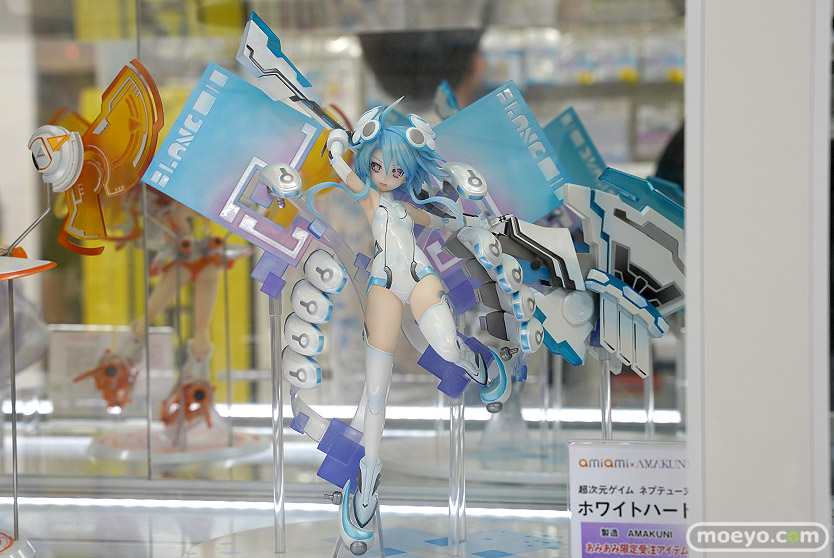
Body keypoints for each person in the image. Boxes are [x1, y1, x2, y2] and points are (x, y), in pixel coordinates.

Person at [320, 100, 496, 532]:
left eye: (396, 170)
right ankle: (368, 476)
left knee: (447, 345)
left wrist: (469, 220)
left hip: (418, 275)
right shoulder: (369, 197)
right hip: (383, 284)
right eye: (378, 166)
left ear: (408, 173)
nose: (385, 175)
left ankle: (472, 362)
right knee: (375, 390)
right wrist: (337, 142)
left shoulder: (405, 207)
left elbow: (444, 222)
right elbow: (339, 167)